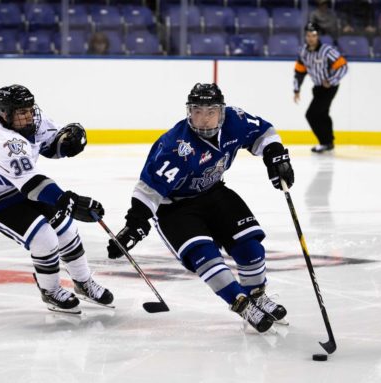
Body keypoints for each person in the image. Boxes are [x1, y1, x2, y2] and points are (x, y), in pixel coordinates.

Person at [107, 83, 294, 333]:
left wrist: (275, 154)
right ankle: (240, 302)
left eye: (210, 112)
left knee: (251, 247)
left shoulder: (235, 121)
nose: (204, 120)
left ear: (221, 112)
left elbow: (263, 131)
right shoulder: (176, 147)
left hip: (214, 192)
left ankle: (257, 296)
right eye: (197, 112)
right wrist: (135, 224)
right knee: (205, 257)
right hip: (175, 208)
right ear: (189, 112)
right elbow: (148, 189)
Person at [0, 84, 113, 314]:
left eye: (30, 109)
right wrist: (69, 201)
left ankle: (83, 282)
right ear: (4, 115)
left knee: (66, 230)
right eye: (21, 112)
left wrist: (67, 143)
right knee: (44, 239)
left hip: (19, 185)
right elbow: (33, 185)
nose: (28, 116)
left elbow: (50, 146)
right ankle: (50, 291)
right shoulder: (3, 142)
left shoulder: (34, 120)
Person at [294, 22, 348, 153]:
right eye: (308, 35)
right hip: (317, 88)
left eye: (313, 35)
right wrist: (296, 89)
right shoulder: (303, 52)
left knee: (311, 114)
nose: (310, 38)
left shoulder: (327, 51)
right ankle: (328, 142)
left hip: (330, 88)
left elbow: (343, 66)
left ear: (317, 36)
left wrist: (331, 80)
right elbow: (299, 72)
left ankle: (325, 142)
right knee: (323, 114)